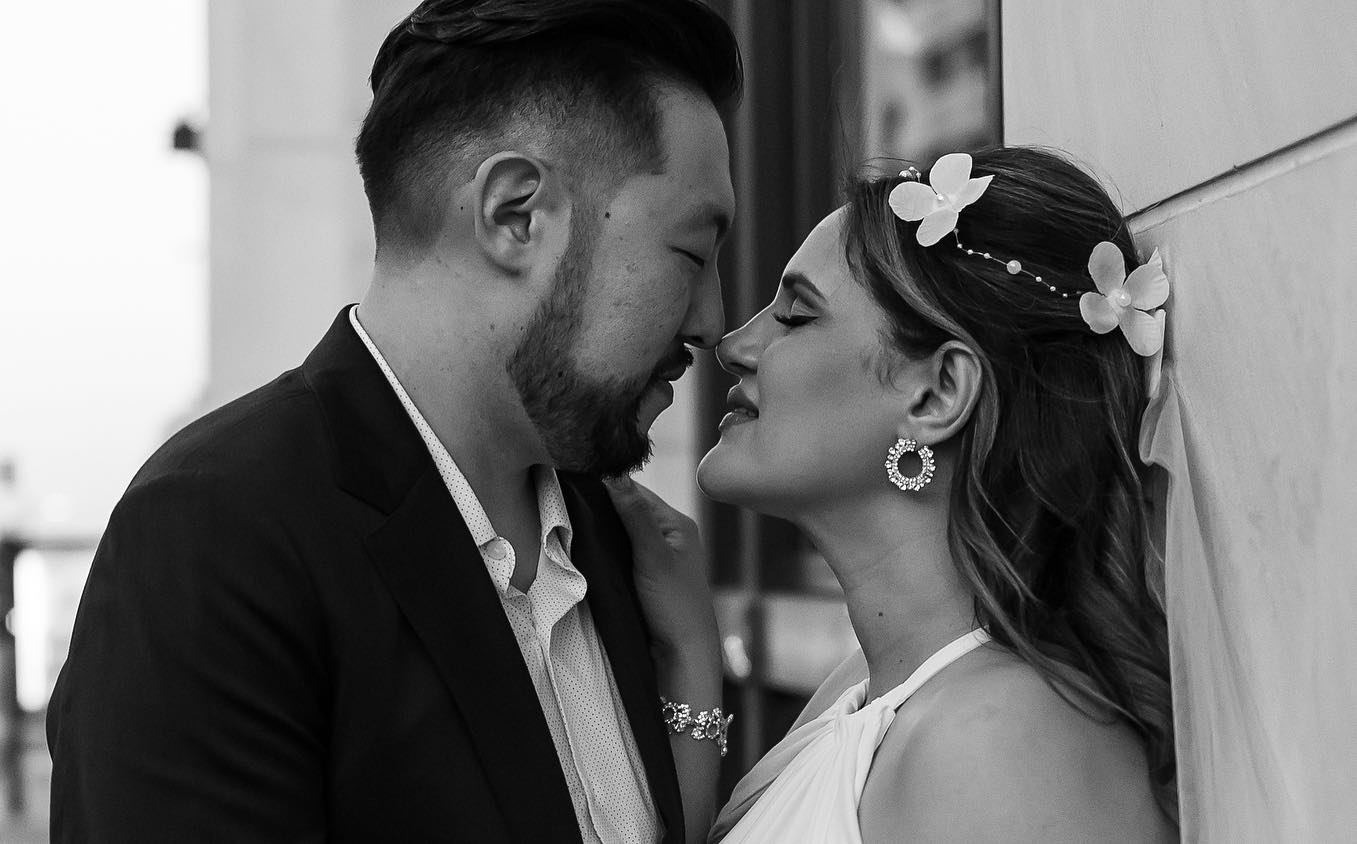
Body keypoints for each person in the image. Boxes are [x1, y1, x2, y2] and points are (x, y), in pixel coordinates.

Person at [47, 1, 740, 841]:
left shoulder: (618, 545)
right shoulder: (218, 533)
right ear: (514, 213)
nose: (712, 320)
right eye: (692, 255)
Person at [611, 146, 1178, 842]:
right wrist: (689, 657)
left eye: (794, 316)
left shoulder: (999, 745)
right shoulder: (862, 691)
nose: (732, 344)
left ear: (938, 394)